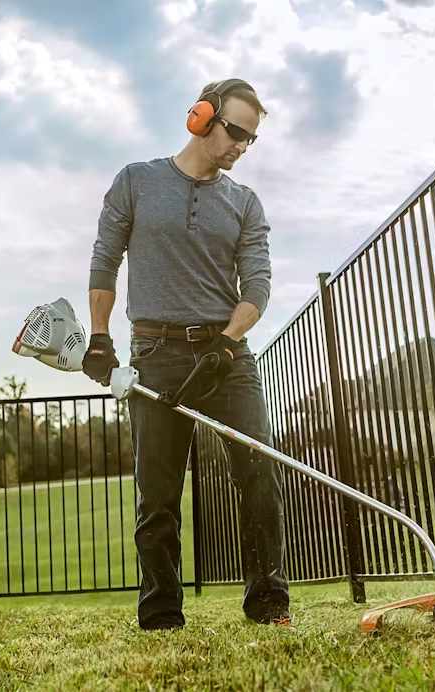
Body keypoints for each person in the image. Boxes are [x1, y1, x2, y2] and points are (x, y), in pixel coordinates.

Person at [81, 78, 292, 631]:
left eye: (253, 138)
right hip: (154, 353)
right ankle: (160, 616)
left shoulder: (244, 202)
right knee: (158, 493)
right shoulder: (136, 182)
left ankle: (269, 605)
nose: (243, 145)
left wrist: (226, 344)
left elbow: (258, 284)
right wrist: (100, 339)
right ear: (201, 118)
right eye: (237, 130)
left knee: (259, 474)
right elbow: (105, 262)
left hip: (227, 359)